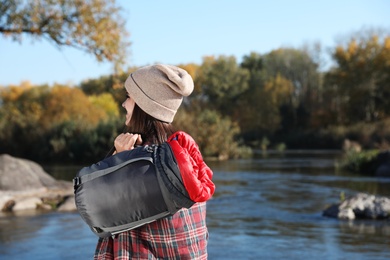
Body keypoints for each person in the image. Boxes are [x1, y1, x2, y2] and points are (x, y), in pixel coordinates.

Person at [94, 64, 215, 259]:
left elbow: (99, 213)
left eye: (128, 97)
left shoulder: (141, 162)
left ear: (144, 104)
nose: (124, 104)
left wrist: (119, 162)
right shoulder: (186, 156)